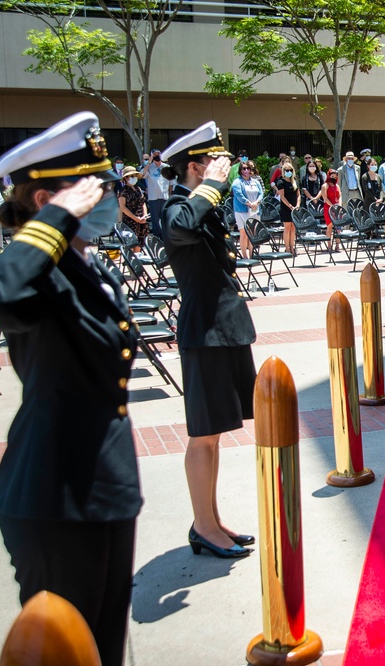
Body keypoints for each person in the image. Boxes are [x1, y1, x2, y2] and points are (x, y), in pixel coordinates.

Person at [0, 112, 140, 666]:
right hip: (55, 493)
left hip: (104, 482)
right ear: (47, 199)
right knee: (64, 649)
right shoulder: (37, 273)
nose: (107, 199)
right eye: (93, 190)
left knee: (104, 644)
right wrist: (56, 220)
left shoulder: (82, 265)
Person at [161, 121, 256, 560]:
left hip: (224, 328)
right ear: (195, 167)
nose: (225, 168)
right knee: (203, 435)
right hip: (204, 333)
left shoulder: (201, 205)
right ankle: (202, 526)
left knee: (215, 434)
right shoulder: (177, 208)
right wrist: (213, 185)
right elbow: (180, 226)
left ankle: (211, 521)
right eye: (215, 162)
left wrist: (211, 188)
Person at [231, 161, 263, 259]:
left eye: (248, 168)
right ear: (240, 170)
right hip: (242, 211)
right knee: (244, 234)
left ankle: (251, 255)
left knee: (252, 234)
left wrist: (256, 203)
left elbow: (261, 193)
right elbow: (239, 195)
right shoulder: (237, 182)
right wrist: (249, 203)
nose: (246, 171)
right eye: (243, 169)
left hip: (254, 210)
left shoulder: (255, 181)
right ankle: (244, 257)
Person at [117, 165, 149, 250]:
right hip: (130, 221)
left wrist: (144, 216)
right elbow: (123, 207)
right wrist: (135, 218)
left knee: (139, 243)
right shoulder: (123, 191)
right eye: (131, 176)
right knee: (131, 244)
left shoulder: (138, 188)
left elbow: (143, 203)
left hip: (141, 220)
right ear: (126, 178)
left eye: (135, 176)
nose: (134, 178)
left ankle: (138, 260)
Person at [274, 157, 300, 254]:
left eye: (290, 170)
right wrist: (289, 206)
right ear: (283, 171)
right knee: (287, 227)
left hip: (295, 207)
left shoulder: (295, 182)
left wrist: (297, 205)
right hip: (286, 207)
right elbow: (282, 196)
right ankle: (287, 248)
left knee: (293, 227)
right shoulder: (281, 182)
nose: (288, 172)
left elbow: (298, 195)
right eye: (286, 170)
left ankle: (292, 246)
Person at [141, 149, 168, 238]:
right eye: (155, 155)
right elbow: (142, 174)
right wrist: (149, 162)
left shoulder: (166, 167)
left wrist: (170, 194)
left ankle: (165, 236)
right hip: (153, 197)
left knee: (164, 218)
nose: (157, 156)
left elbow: (171, 182)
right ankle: (157, 236)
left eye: (158, 154)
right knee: (155, 219)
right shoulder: (150, 167)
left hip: (165, 196)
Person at [321, 167, 341, 250]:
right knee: (329, 226)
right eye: (332, 176)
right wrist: (332, 205)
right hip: (328, 208)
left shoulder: (337, 185)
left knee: (338, 227)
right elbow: (325, 198)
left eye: (335, 176)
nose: (334, 177)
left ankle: (337, 245)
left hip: (337, 208)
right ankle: (329, 245)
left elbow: (340, 196)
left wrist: (339, 205)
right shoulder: (325, 186)